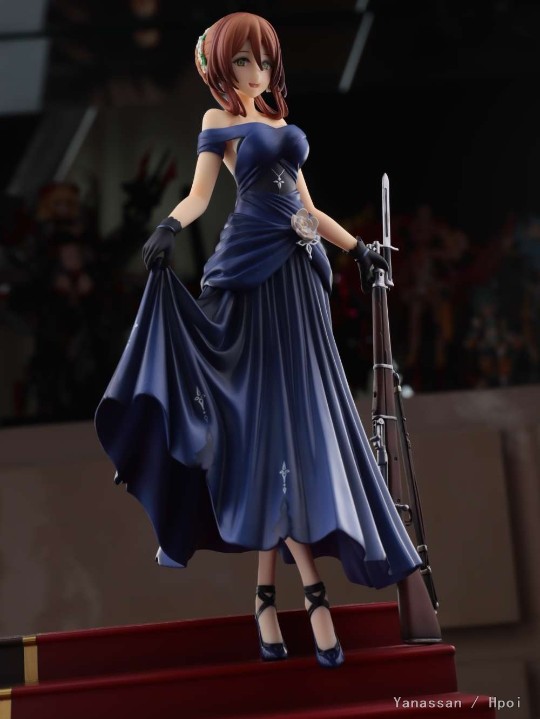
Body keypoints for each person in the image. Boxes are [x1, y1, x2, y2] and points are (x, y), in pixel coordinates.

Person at [94, 11, 423, 669]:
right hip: (249, 277)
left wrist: (359, 249)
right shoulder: (219, 122)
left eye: (264, 60)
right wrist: (167, 226)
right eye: (243, 61)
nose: (257, 72)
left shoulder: (278, 122)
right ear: (220, 67)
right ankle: (311, 593)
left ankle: (266, 596)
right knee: (265, 429)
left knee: (290, 433)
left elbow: (308, 208)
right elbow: (198, 197)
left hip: (299, 280)